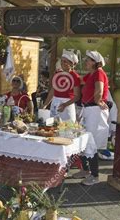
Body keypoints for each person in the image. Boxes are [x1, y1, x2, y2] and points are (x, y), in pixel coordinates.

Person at [73, 50, 110, 186]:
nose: (86, 62)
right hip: (88, 109)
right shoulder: (92, 74)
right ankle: (86, 170)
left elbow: (99, 90)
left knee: (91, 142)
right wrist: (68, 71)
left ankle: (95, 175)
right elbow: (79, 79)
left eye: (88, 60)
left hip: (94, 110)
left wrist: (98, 100)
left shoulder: (99, 73)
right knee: (82, 139)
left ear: (95, 62)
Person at [42, 50, 81, 122]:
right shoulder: (58, 74)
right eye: (62, 61)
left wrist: (65, 105)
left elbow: (77, 96)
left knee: (67, 128)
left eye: (65, 61)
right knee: (53, 127)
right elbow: (52, 91)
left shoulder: (74, 76)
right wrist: (45, 105)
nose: (62, 63)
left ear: (71, 63)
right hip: (55, 103)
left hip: (67, 105)